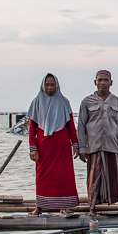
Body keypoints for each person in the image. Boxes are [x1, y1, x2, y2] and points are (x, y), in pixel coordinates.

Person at [77, 69, 118, 213]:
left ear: (111, 83)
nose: (102, 83)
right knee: (93, 179)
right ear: (95, 83)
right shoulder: (87, 102)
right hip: (94, 146)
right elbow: (81, 126)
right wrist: (82, 148)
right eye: (100, 80)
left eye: (105, 80)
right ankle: (92, 207)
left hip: (113, 146)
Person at [27, 73, 80, 215]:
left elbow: (70, 125)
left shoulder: (64, 102)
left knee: (64, 175)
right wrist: (33, 148)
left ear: (57, 85)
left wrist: (75, 144)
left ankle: (65, 206)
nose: (50, 87)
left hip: (61, 144)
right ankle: (40, 206)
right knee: (42, 175)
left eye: (52, 84)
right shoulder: (36, 102)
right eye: (47, 84)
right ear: (43, 86)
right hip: (44, 145)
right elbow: (32, 129)